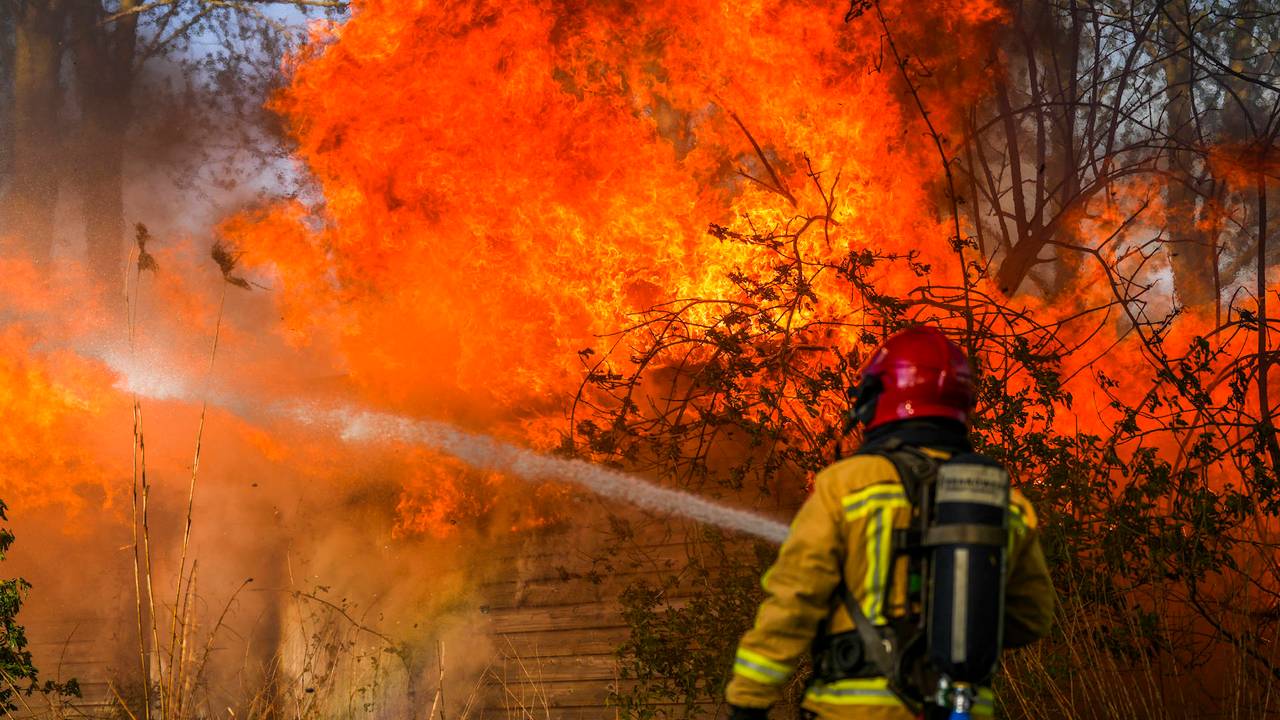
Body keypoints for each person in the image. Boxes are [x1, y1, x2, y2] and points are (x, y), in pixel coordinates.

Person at [725, 326, 1056, 719]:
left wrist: (748, 699)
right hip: (962, 709)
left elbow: (795, 598)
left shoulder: (845, 486)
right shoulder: (1006, 503)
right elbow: (1032, 618)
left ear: (876, 399)